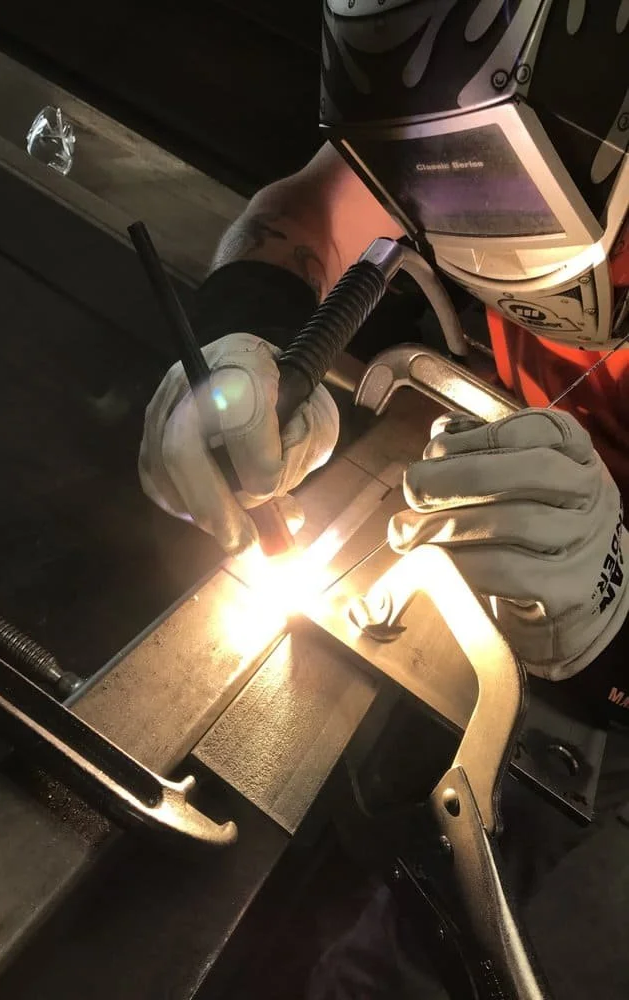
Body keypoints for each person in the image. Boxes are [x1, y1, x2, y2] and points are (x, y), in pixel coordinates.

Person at [140, 3, 629, 995]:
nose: (469, 237)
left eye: (508, 197)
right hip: (507, 546)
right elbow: (317, 209)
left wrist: (619, 627)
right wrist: (244, 340)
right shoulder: (459, 85)